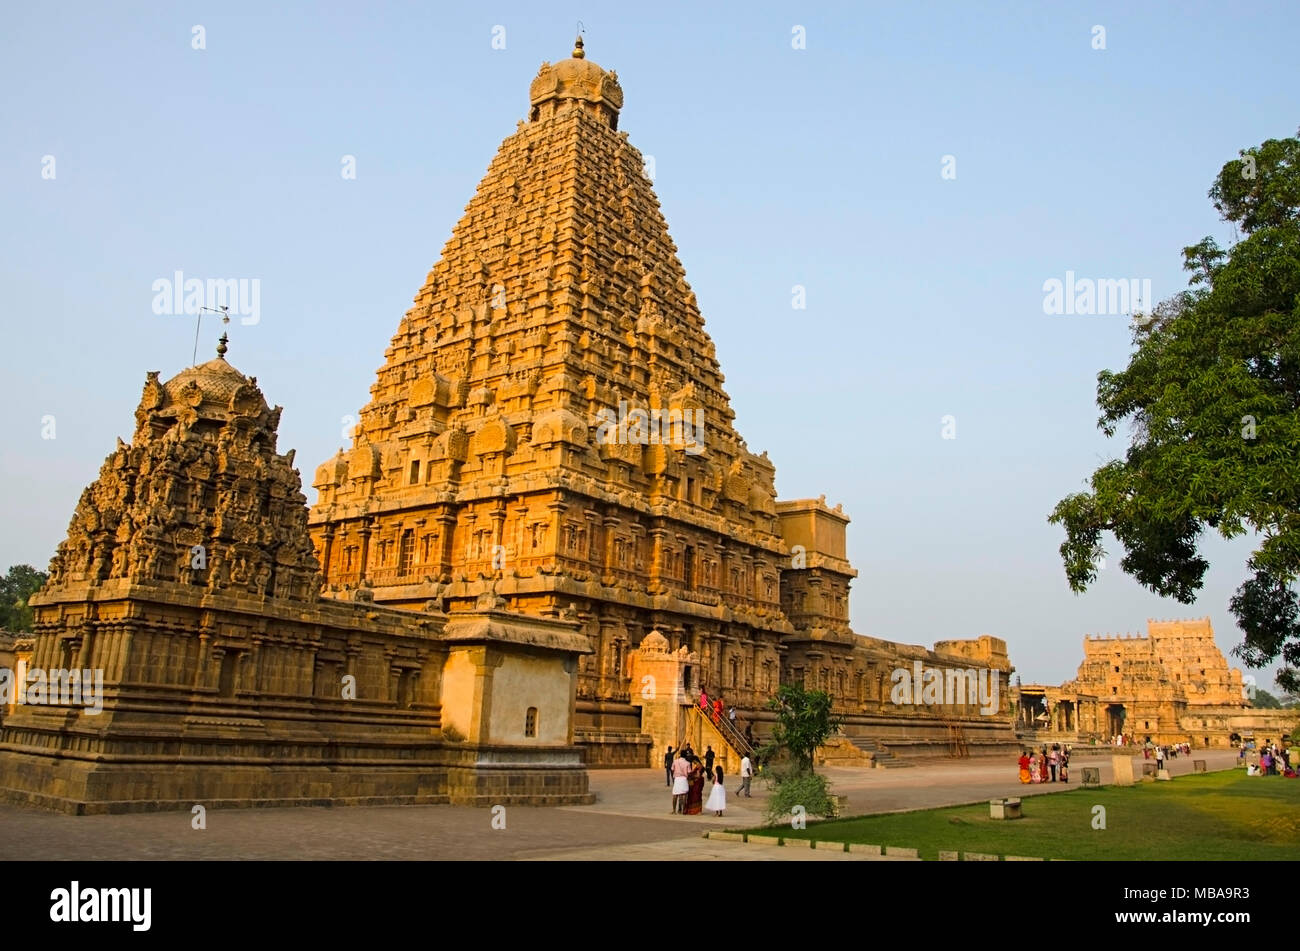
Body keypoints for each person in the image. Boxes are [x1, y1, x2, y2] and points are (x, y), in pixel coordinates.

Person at [671, 749, 691, 814]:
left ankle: (674, 810)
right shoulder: (688, 763)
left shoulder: (675, 761)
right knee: (684, 794)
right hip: (684, 779)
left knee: (675, 794)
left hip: (677, 779)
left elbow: (672, 769)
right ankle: (683, 810)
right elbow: (689, 772)